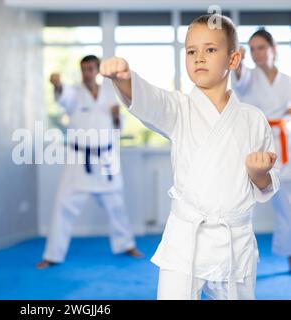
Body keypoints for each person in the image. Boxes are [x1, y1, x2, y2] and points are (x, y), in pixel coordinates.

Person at [101, 14, 279, 299]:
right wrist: (124, 80)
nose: (199, 58)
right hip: (186, 238)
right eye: (191, 51)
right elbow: (150, 100)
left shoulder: (253, 119)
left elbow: (268, 184)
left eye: (210, 49)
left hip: (233, 240)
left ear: (233, 60)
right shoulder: (178, 109)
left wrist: (258, 174)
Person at [37, 55, 143, 269]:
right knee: (63, 206)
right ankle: (52, 254)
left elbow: (118, 126)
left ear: (97, 71)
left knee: (117, 205)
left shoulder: (110, 93)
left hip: (106, 158)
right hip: (79, 160)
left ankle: (126, 244)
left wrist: (116, 117)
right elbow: (62, 96)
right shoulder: (74, 93)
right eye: (83, 69)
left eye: (90, 69)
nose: (87, 73)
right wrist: (57, 84)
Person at [231, 29, 291, 271]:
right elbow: (239, 77)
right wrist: (238, 62)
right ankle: (237, 258)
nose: (256, 53)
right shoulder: (248, 76)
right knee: (243, 203)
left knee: (287, 205)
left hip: (285, 142)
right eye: (252, 48)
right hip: (258, 144)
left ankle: (289, 253)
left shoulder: (287, 80)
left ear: (273, 49)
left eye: (261, 47)